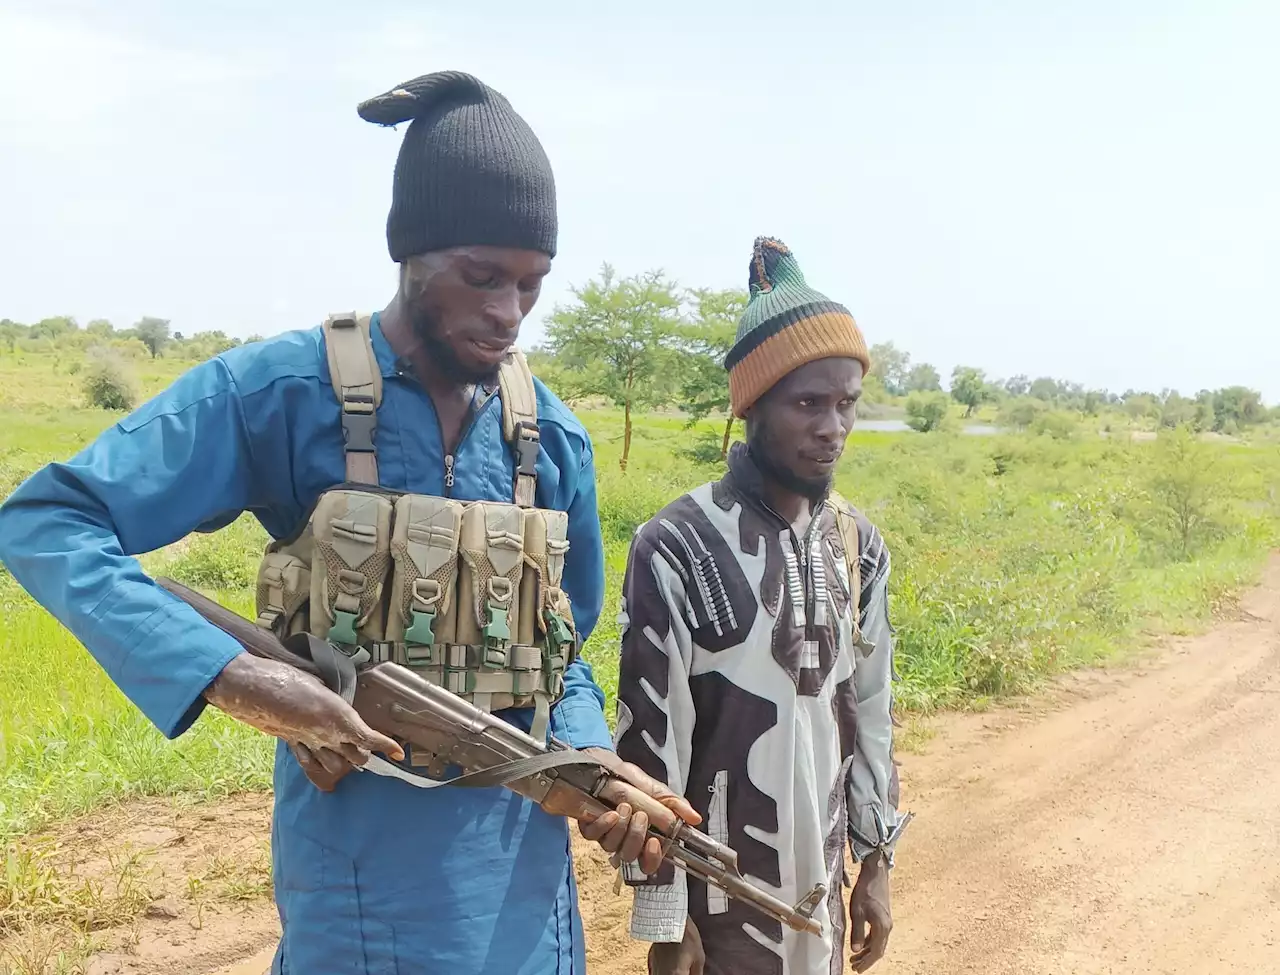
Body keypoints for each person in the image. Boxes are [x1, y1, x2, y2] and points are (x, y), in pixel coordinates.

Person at [0, 70, 695, 974]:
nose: (507, 315)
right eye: (481, 277)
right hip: (357, 899)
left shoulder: (551, 434)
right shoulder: (282, 393)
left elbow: (564, 640)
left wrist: (591, 756)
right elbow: (48, 519)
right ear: (410, 254)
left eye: (530, 285)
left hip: (525, 894)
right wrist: (230, 674)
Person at [612, 237, 909, 975]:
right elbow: (652, 746)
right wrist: (663, 914)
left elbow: (870, 715)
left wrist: (875, 864)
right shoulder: (674, 544)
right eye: (808, 402)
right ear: (754, 404)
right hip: (721, 913)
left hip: (823, 902)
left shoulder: (858, 545)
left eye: (846, 404)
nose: (832, 427)